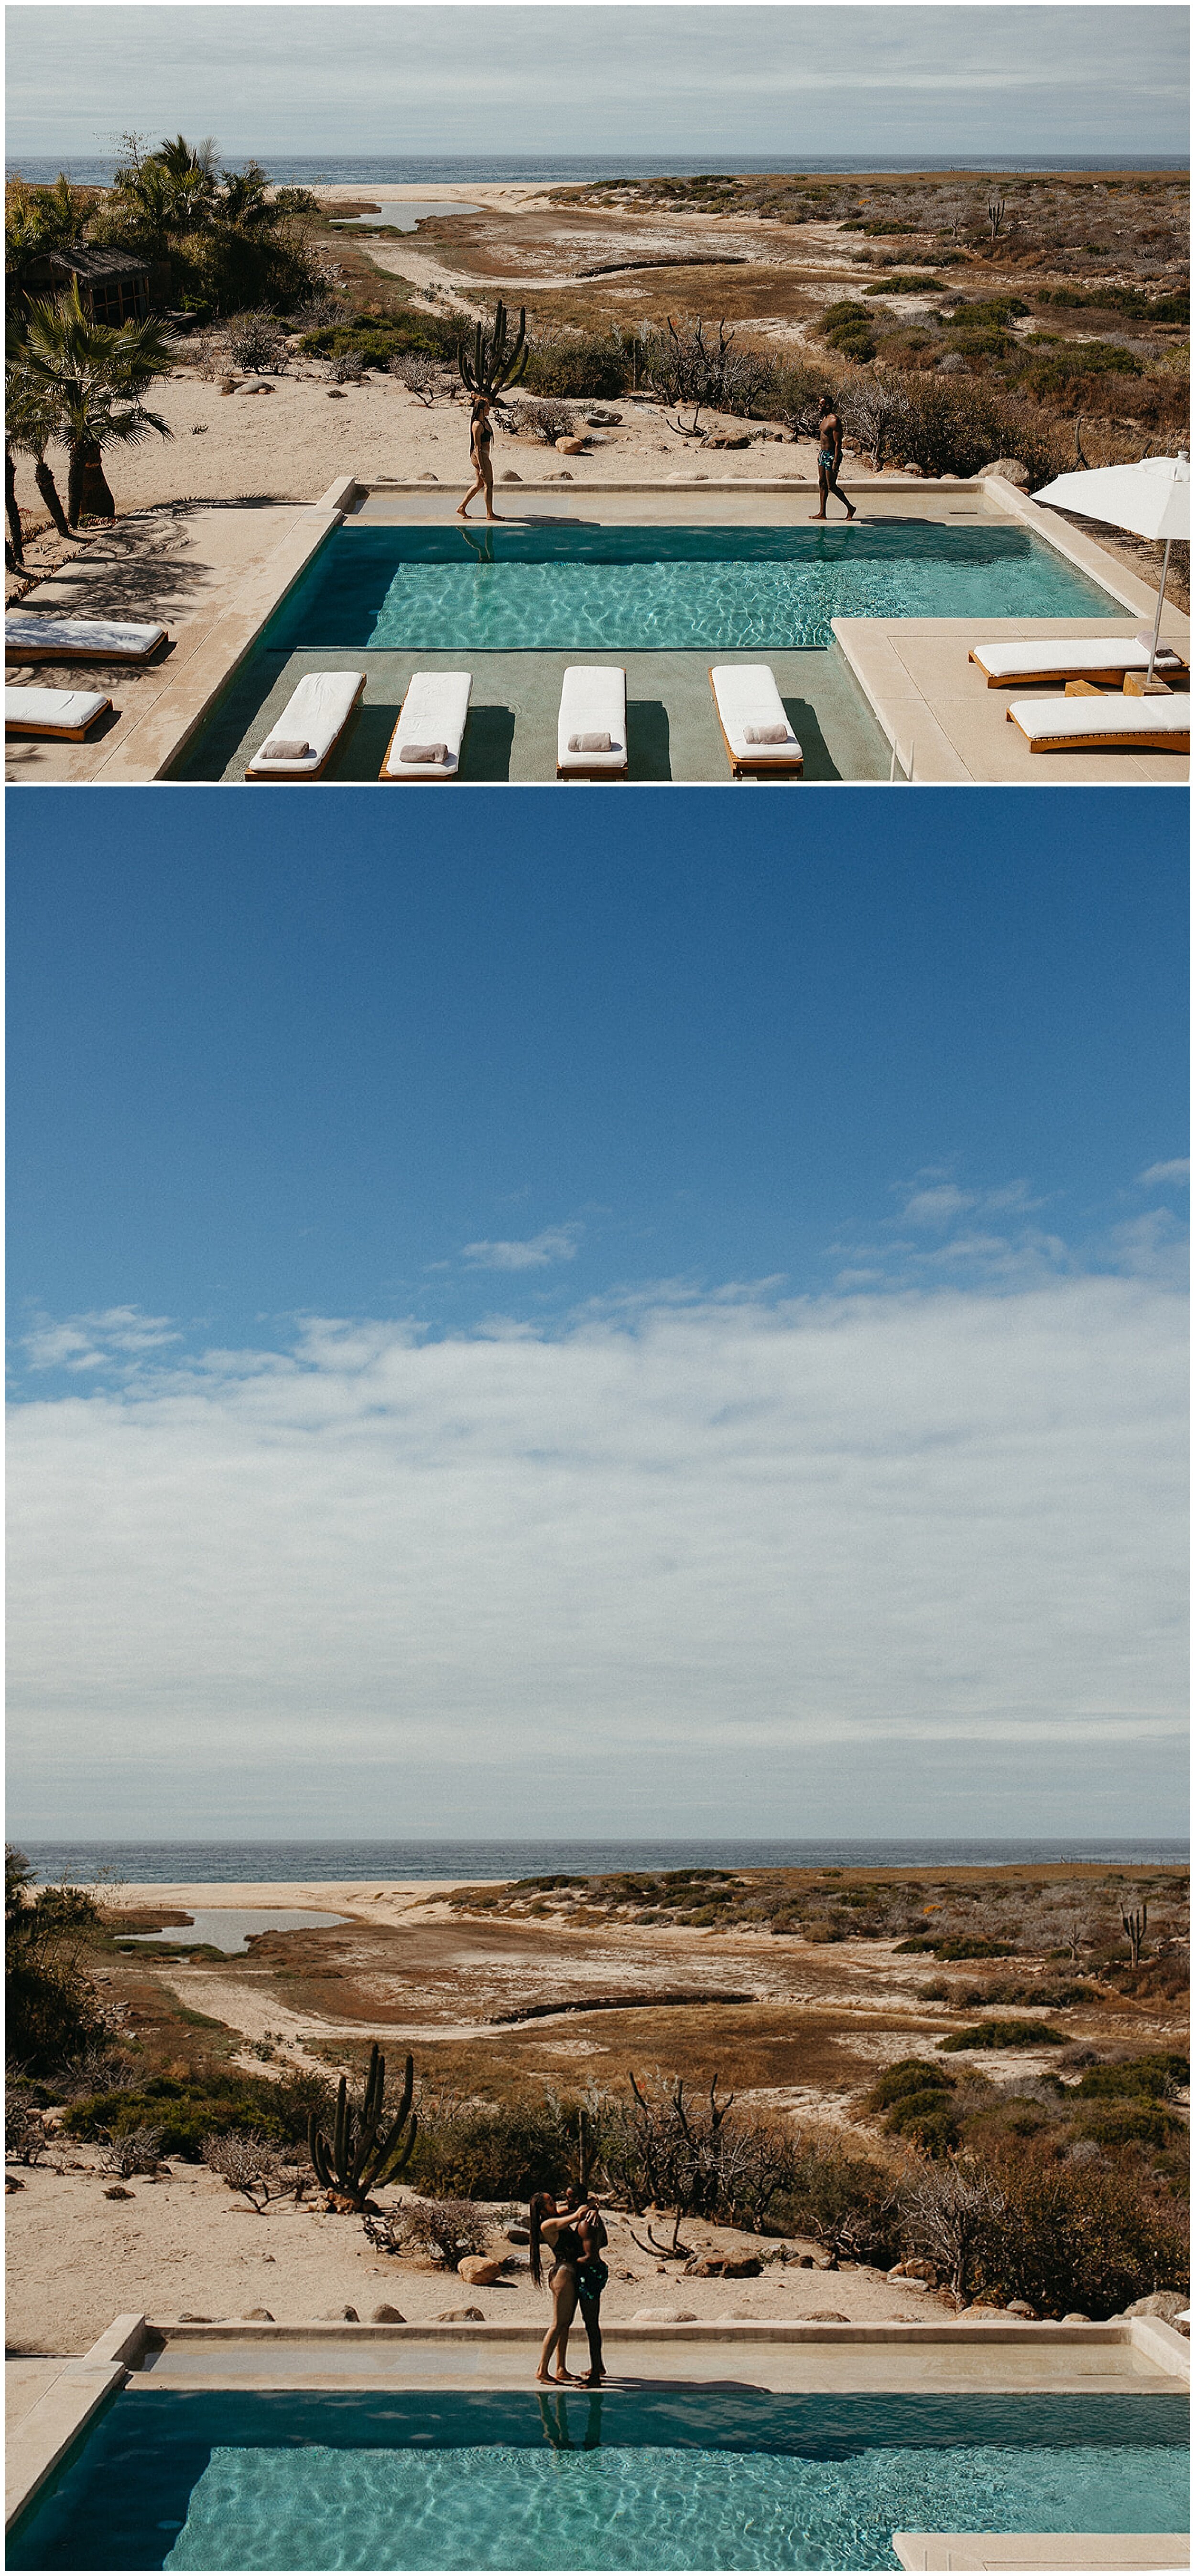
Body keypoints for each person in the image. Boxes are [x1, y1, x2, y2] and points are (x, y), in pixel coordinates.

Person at [530, 2188, 593, 2383]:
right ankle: (542, 2370)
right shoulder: (548, 2225)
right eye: (551, 2203)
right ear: (542, 2211)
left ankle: (561, 2368)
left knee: (566, 2324)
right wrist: (582, 2209)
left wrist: (587, 2202)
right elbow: (575, 2216)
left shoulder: (556, 2217)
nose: (555, 2205)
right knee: (558, 2324)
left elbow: (570, 2209)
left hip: (570, 2273)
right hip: (563, 2274)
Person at [562, 2183, 608, 2384]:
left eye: (571, 2198)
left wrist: (568, 2261)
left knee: (591, 2325)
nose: (567, 2201)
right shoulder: (591, 2218)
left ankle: (596, 2378)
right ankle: (598, 2366)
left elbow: (590, 2257)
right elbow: (604, 2242)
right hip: (594, 2274)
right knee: (592, 2324)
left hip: (589, 2276)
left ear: (579, 2199)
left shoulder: (585, 2224)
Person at [810, 395, 856, 521]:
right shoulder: (825, 419)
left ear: (828, 406)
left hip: (832, 455)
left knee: (832, 486)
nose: (819, 407)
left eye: (821, 405)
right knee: (822, 483)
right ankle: (822, 513)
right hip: (823, 454)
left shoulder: (834, 421)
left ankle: (850, 508)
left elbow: (838, 444)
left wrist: (836, 461)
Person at [456, 394, 499, 521]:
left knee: (479, 484)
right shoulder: (477, 425)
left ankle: (462, 508)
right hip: (480, 457)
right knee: (489, 484)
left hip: (484, 456)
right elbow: (477, 447)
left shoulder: (485, 421)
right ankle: (490, 514)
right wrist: (481, 467)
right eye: (487, 408)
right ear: (481, 410)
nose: (490, 410)